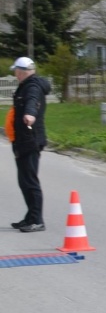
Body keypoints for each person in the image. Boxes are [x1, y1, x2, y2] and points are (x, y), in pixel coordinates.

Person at [8, 57, 50, 233]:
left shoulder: (32, 86)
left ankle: (36, 220)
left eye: (16, 72)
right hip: (23, 140)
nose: (15, 75)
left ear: (21, 71)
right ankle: (30, 217)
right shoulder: (27, 85)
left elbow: (33, 101)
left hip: (29, 141)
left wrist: (30, 114)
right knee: (24, 181)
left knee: (30, 181)